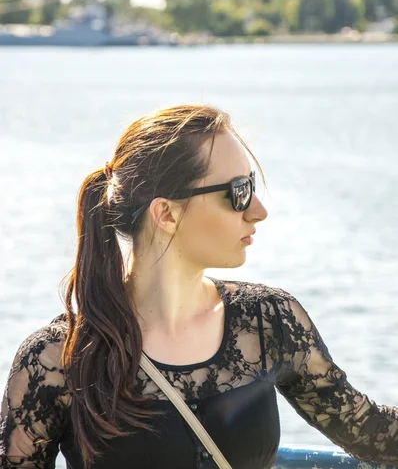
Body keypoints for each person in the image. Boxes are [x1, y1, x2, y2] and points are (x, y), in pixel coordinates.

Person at [1, 103, 397, 469]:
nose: (259, 211)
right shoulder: (57, 359)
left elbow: (371, 433)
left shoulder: (269, 320)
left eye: (253, 186)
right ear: (167, 214)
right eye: (239, 192)